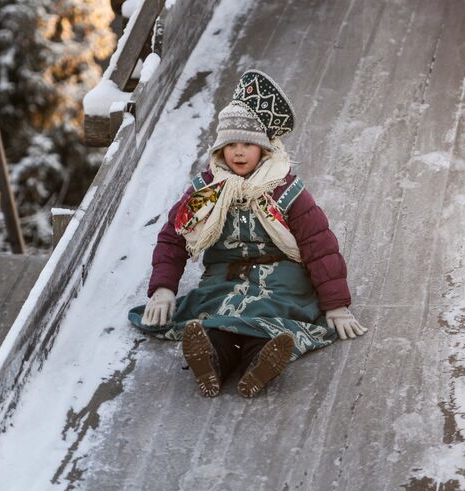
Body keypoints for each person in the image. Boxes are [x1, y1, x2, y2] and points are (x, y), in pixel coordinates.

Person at [128, 70, 367, 398]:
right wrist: (164, 289)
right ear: (220, 149)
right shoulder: (208, 189)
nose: (238, 153)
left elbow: (319, 245)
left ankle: (262, 360)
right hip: (226, 278)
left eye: (248, 145)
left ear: (265, 149)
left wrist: (335, 303)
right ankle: (211, 360)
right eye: (231, 145)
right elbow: (175, 235)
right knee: (220, 315)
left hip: (281, 279)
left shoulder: (284, 189)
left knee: (267, 314)